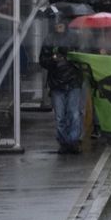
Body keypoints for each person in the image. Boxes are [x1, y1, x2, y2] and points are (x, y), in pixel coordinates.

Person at [39, 17, 84, 154]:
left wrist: (69, 57)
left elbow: (81, 57)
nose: (59, 26)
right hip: (57, 83)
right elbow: (42, 60)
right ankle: (65, 142)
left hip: (72, 81)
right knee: (60, 116)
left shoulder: (74, 38)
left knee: (74, 113)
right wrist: (53, 60)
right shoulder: (49, 39)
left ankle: (73, 141)